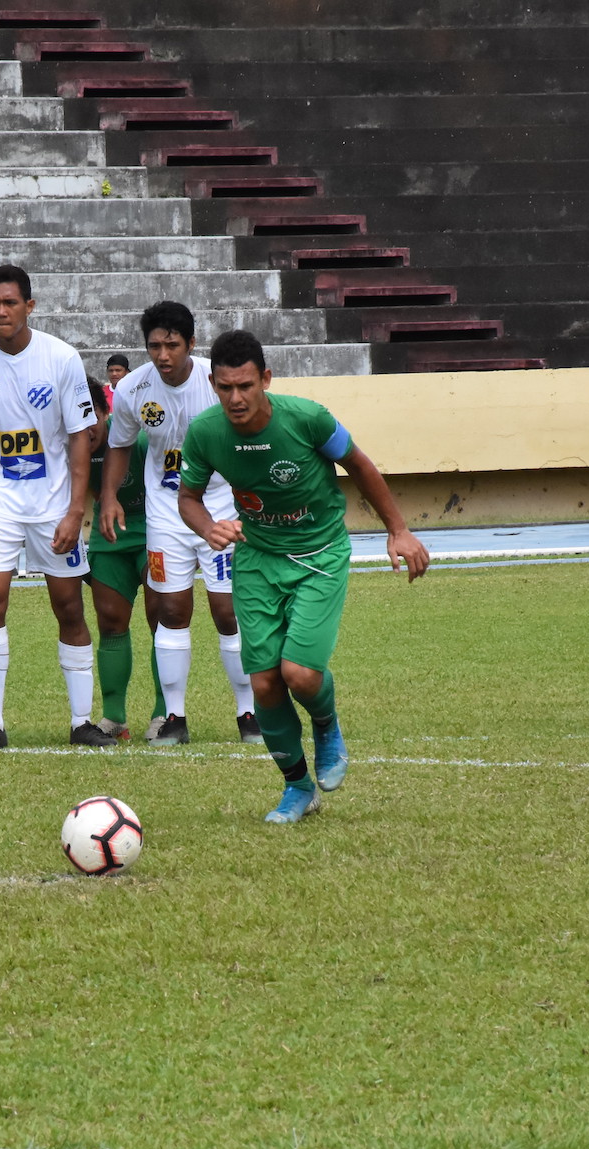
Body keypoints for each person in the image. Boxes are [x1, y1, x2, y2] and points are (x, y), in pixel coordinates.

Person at [177, 330, 429, 823]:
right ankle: (297, 788)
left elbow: (359, 465)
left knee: (298, 674)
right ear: (213, 385)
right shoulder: (205, 432)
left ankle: (326, 723)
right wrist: (208, 526)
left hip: (319, 555)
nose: (235, 398)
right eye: (225, 387)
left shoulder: (308, 418)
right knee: (266, 684)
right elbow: (188, 496)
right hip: (255, 559)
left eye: (245, 385)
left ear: (265, 379)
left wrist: (398, 530)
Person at [0, 265, 118, 751]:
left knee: (68, 605)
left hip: (52, 506)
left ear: (29, 306)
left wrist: (73, 512)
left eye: (10, 302)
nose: (1, 311)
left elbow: (81, 441)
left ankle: (81, 721)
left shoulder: (61, 359)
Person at [98, 302, 261, 745]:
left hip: (221, 509)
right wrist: (109, 496)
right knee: (170, 610)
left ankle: (249, 713)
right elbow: (118, 445)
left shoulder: (216, 384)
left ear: (191, 344)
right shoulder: (133, 388)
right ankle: (174, 717)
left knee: (228, 611)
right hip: (166, 513)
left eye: (172, 345)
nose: (163, 354)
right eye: (154, 345)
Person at [82, 375, 165, 741]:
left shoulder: (138, 438)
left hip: (154, 528)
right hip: (108, 533)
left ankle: (166, 713)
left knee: (162, 619)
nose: (84, 430)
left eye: (91, 419)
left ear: (105, 411)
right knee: (111, 621)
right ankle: (114, 717)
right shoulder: (67, 443)